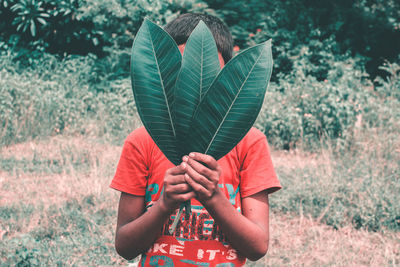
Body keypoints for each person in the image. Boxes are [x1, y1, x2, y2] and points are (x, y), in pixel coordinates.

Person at [110, 13, 281, 266]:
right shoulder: (141, 142)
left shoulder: (249, 142)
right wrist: (164, 204)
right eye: (181, 74)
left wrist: (212, 197)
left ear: (229, 82)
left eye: (207, 74)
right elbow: (125, 246)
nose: (194, 86)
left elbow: (257, 246)